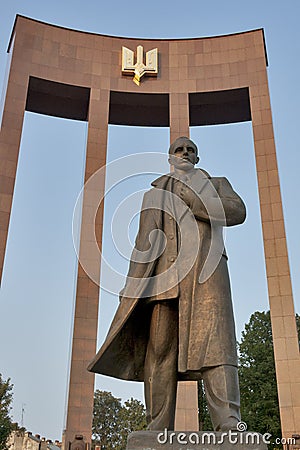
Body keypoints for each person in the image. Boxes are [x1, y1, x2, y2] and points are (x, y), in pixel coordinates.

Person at [88, 136, 246, 432]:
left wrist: (193, 199)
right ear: (170, 157)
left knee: (218, 348)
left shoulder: (217, 184)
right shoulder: (155, 194)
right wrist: (132, 283)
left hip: (207, 272)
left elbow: (237, 212)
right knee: (160, 349)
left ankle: (228, 420)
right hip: (165, 278)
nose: (185, 153)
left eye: (191, 150)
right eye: (179, 149)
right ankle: (157, 425)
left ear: (197, 158)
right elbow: (143, 243)